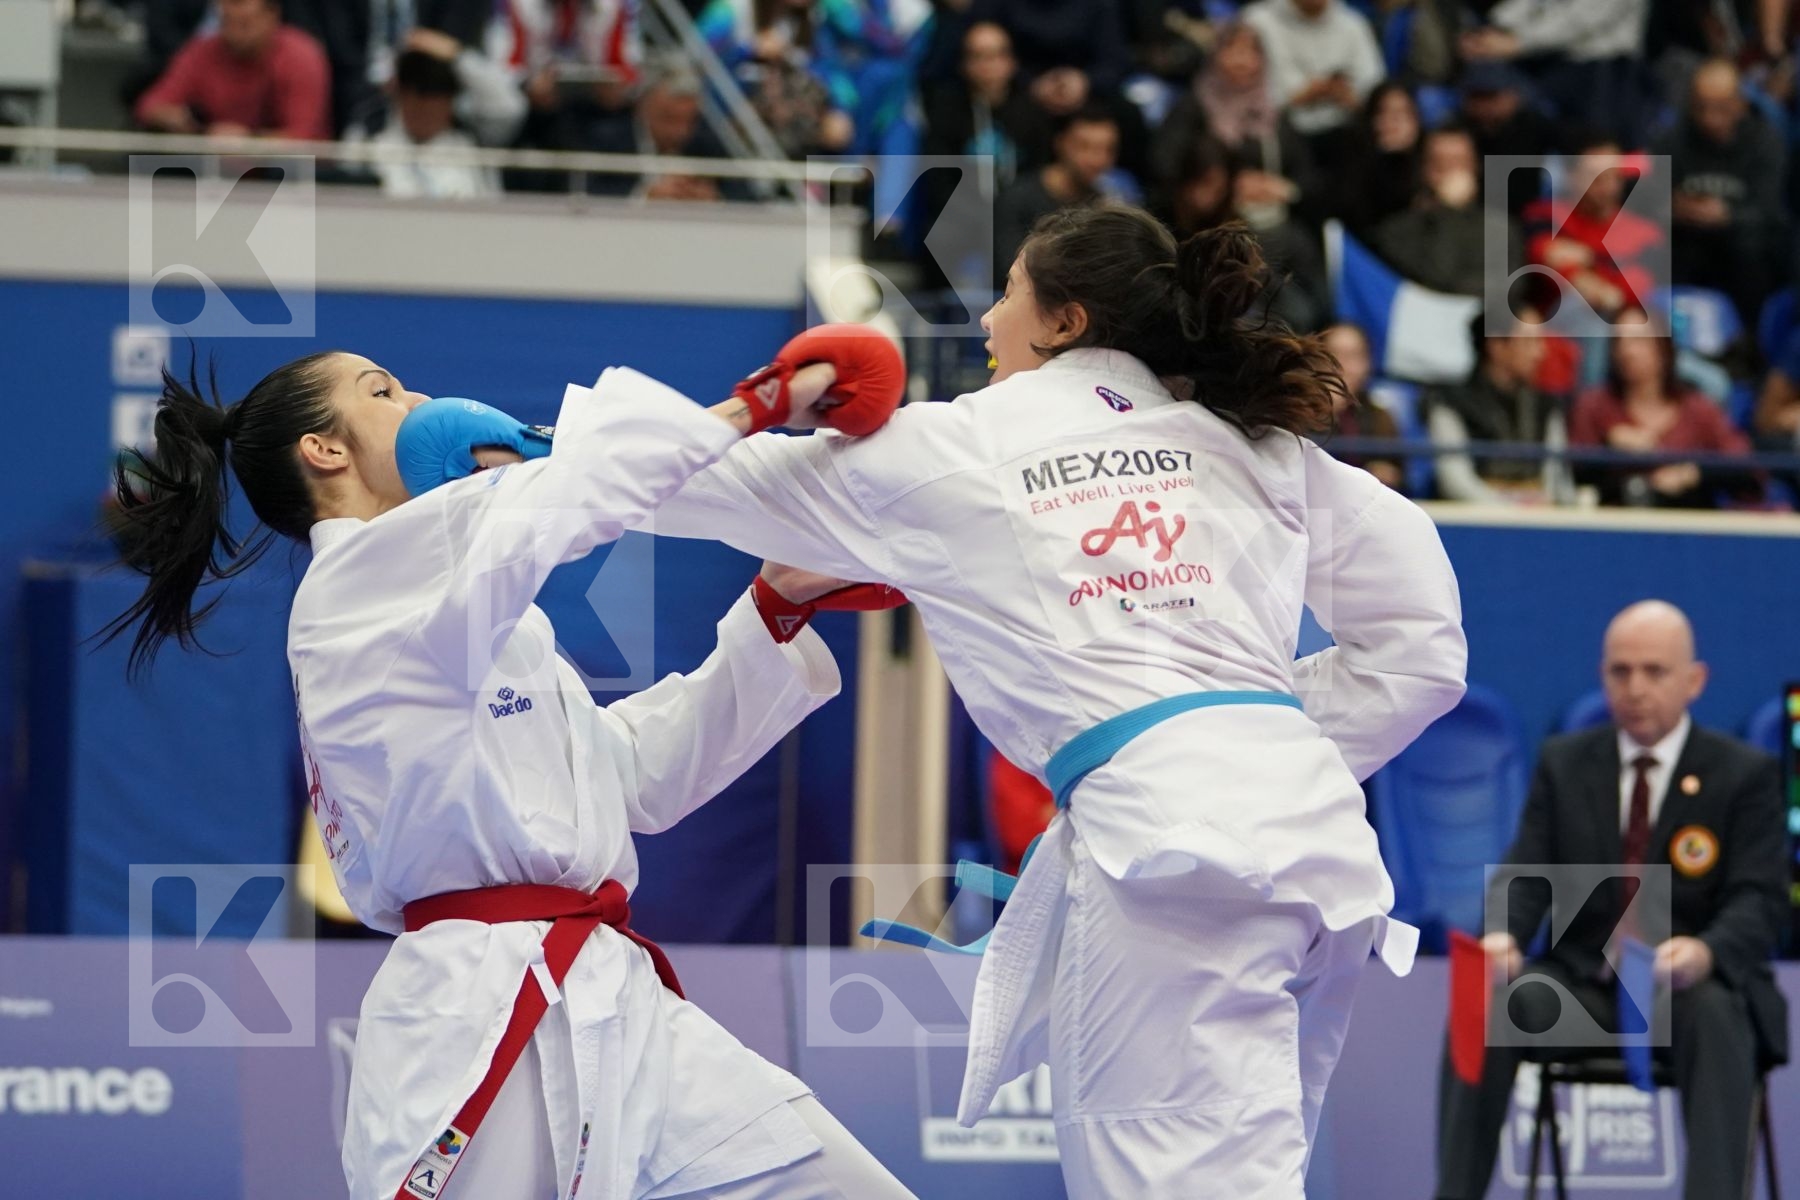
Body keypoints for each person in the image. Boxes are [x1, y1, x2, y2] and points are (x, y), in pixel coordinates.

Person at [627, 206, 1469, 1197]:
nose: (986, 319)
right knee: (1241, 1167)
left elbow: (674, 483)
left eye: (1010, 291)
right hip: (1308, 849)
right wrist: (1244, 746)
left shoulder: (953, 445)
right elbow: (1424, 653)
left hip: (1170, 856)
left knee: (1164, 1168)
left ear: (1063, 321)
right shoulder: (1256, 445)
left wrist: (480, 450)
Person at [100, 334, 917, 1200]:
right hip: (475, 1011)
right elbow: (561, 503)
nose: (416, 402)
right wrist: (757, 406)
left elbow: (634, 775)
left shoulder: (469, 602)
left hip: (616, 1001)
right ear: (325, 451)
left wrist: (774, 609)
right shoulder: (362, 585)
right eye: (383, 391)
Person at [1434, 600, 1789, 1200]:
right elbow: (1526, 870)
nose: (1635, 688)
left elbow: (1762, 901)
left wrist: (1704, 952)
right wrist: (1504, 935)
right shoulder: (1567, 764)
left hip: (1688, 996)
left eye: (1654, 671)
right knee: (1495, 1004)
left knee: (1719, 1015)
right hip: (1584, 991)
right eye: (1620, 672)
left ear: (1693, 681)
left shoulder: (1742, 774)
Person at [1569, 308, 1761, 507]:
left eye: (1639, 340)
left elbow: (1747, 471)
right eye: (1619, 341)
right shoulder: (1593, 405)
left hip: (1688, 523)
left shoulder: (1699, 409)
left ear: (1663, 347)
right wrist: (1609, 450)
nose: (1627, 351)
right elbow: (1572, 474)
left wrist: (1693, 474)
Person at [1656, 58, 1789, 332]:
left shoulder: (1766, 141)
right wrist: (1672, 206)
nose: (1709, 118)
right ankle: (1670, 338)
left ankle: (1749, 343)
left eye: (1720, 108)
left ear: (1740, 104)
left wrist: (1728, 215)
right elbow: (1642, 200)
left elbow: (1774, 211)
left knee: (1751, 248)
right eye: (1700, 107)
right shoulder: (1673, 139)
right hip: (1687, 241)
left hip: (1744, 248)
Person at [1150, 21, 1320, 230]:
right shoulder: (1194, 106)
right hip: (1206, 225)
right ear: (1215, 56)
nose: (1242, 61)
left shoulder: (1271, 112)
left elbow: (1307, 175)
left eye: (1251, 52)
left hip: (1270, 221)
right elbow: (1165, 164)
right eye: (1232, 49)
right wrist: (1227, 185)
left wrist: (1281, 188)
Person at [342, 29, 528, 200]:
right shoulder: (367, 137)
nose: (424, 111)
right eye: (414, 98)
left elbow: (511, 106)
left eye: (434, 99)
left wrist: (455, 53)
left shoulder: (472, 138)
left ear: (450, 101)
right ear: (399, 94)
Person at [1422, 311, 1570, 505]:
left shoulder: (1547, 405)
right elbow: (1455, 480)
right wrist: (1510, 509)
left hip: (1539, 520)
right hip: (1475, 524)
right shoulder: (1449, 402)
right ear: (1497, 347)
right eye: (1529, 342)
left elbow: (1556, 477)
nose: (1540, 353)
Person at [134, 0, 332, 140]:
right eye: (226, 23)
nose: (234, 34)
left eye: (245, 24)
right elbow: (150, 105)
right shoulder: (204, 51)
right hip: (215, 169)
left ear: (272, 15)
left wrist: (249, 140)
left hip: (290, 175)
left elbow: (304, 136)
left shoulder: (301, 55)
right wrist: (177, 120)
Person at [1240, 0, 1386, 172]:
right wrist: (1302, 96)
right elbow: (1240, 89)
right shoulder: (1257, 21)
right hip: (1277, 129)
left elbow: (1375, 91)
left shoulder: (1354, 24)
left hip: (1345, 130)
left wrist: (1348, 97)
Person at [1371, 124, 1512, 298]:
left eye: (1459, 163)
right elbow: (1435, 282)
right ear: (1423, 169)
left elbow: (1506, 291)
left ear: (1476, 167)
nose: (1451, 175)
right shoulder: (1397, 231)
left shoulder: (1500, 228)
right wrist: (1449, 211)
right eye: (1440, 165)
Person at [992, 106, 1119, 287]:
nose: (1097, 159)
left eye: (1107, 149)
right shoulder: (1017, 199)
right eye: (1084, 146)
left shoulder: (1104, 205)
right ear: (1060, 143)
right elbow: (1010, 271)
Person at [1321, 322, 1405, 492]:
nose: (1343, 367)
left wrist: (1385, 473)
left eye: (1353, 356)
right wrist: (1326, 412)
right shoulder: (1297, 413)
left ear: (1367, 363)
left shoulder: (1380, 416)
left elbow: (1400, 475)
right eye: (1334, 355)